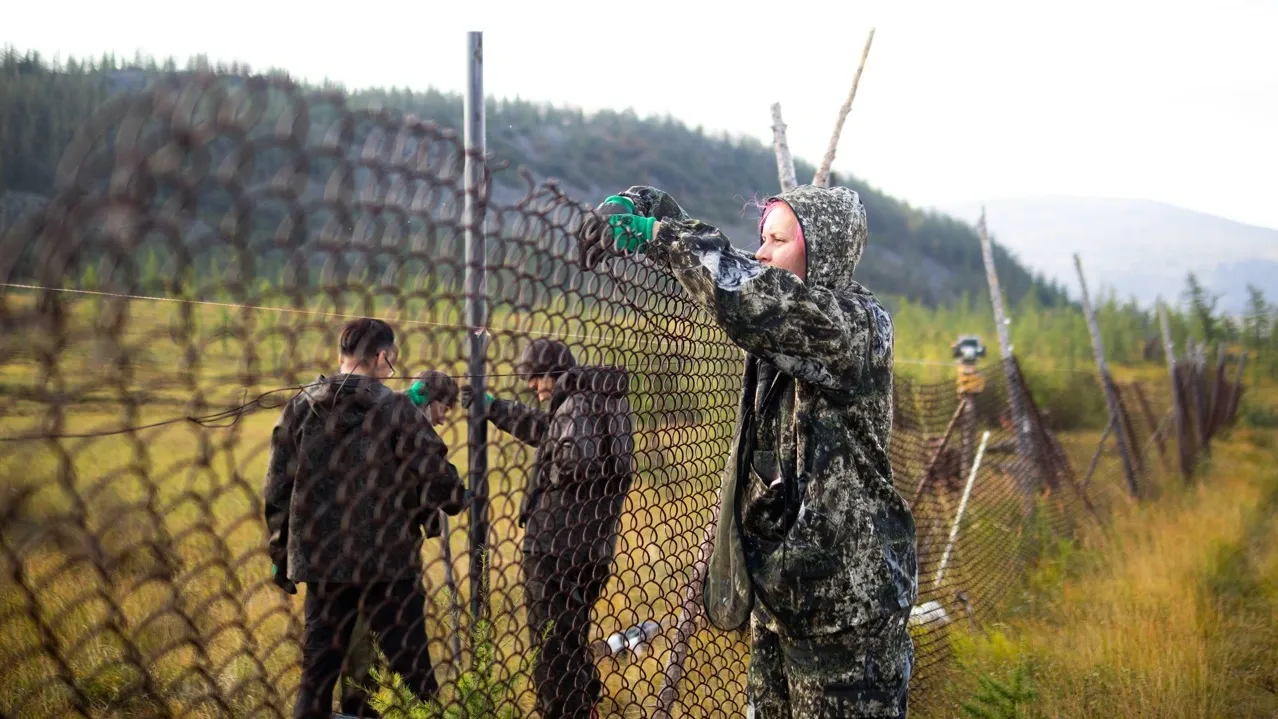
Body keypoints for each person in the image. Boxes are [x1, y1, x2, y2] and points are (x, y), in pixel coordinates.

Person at [581, 186, 917, 718]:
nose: (760, 251)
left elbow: (754, 295)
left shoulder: (854, 327)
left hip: (846, 614)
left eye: (778, 239)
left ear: (822, 251)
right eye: (761, 238)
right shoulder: (786, 320)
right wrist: (648, 207)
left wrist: (660, 237)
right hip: (782, 602)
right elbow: (740, 272)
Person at [264, 318, 469, 719]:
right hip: (389, 567)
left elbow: (276, 487)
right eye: (390, 361)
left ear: (342, 356)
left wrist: (280, 550)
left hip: (323, 564)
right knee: (415, 674)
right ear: (382, 357)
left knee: (317, 676)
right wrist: (458, 495)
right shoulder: (395, 409)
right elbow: (433, 471)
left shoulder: (301, 406)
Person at [461, 338, 634, 719]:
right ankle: (584, 702)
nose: (532, 388)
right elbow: (548, 432)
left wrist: (546, 480)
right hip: (592, 547)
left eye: (535, 379)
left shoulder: (576, 405)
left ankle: (562, 710)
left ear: (551, 373)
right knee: (569, 635)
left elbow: (573, 460)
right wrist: (494, 408)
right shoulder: (599, 400)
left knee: (549, 643)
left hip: (556, 545)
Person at [338, 369, 464, 718]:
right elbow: (442, 483)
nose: (442, 418)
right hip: (384, 558)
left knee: (367, 644)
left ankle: (364, 706)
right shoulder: (406, 419)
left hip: (356, 553)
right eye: (444, 409)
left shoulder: (382, 415)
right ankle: (418, 708)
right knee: (400, 646)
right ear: (431, 400)